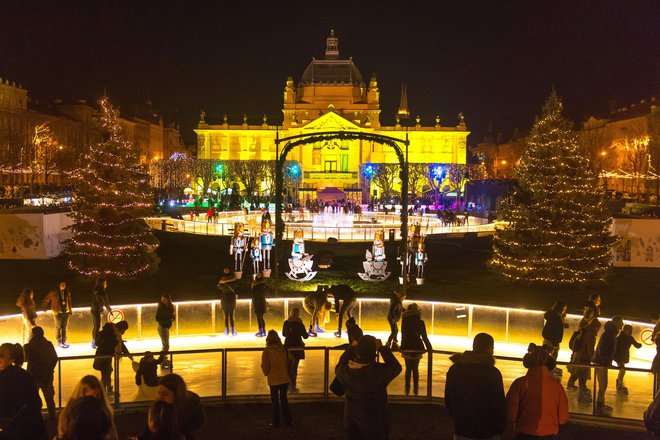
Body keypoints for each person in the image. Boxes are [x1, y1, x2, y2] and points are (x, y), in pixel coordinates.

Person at [335, 335, 402, 439]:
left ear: (357, 352)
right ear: (374, 354)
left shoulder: (345, 372)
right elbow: (396, 367)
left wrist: (351, 348)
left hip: (352, 424)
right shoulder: (379, 372)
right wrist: (382, 348)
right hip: (377, 424)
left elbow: (340, 364)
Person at [445, 333, 506, 440]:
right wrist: (499, 428)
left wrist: (457, 420)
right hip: (487, 431)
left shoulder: (455, 370)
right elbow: (498, 403)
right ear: (489, 350)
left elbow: (449, 399)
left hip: (462, 429)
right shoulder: (492, 373)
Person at [506, 344, 569, 439]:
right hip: (549, 435)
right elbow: (563, 419)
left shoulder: (519, 384)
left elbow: (511, 414)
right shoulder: (557, 387)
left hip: (524, 433)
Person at [0, 343, 49, 440]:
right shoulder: (24, 375)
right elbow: (36, 402)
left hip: (16, 428)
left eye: (1, 355)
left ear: (12, 359)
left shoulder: (14, 377)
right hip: (23, 427)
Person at [57, 375, 117, 440]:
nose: (95, 400)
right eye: (91, 397)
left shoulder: (104, 412)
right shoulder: (69, 414)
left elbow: (113, 435)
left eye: (97, 396)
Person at [567, 294, 602, 403]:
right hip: (584, 352)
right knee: (582, 369)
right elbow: (590, 343)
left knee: (578, 368)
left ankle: (573, 383)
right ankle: (580, 387)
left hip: (579, 350)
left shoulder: (585, 321)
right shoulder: (590, 330)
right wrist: (593, 357)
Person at [261, 330, 295, 428]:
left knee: (275, 401)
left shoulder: (266, 351)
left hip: (273, 379)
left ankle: (276, 422)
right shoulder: (284, 349)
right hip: (284, 378)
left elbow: (265, 366)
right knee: (284, 399)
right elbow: (292, 360)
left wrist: (266, 372)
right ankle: (288, 421)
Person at [24, 326, 58, 423]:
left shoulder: (28, 346)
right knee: (49, 398)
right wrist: (50, 368)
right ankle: (52, 416)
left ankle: (37, 417)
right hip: (46, 376)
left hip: (33, 375)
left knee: (34, 398)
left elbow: (24, 359)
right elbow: (55, 358)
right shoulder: (48, 344)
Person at [592, 315, 624, 416]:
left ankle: (601, 404)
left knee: (603, 384)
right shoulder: (609, 334)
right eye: (621, 322)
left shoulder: (611, 334)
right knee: (603, 385)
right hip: (601, 363)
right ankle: (599, 406)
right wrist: (606, 363)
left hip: (602, 363)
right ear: (616, 322)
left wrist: (617, 361)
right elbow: (603, 350)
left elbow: (610, 351)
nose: (622, 325)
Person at [158, 374, 205, 440]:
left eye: (165, 394)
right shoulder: (160, 406)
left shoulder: (190, 408)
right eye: (159, 393)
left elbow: (189, 429)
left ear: (177, 393)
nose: (160, 398)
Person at [400, 303, 432, 396]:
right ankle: (416, 389)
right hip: (417, 347)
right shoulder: (420, 322)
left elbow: (403, 335)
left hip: (407, 347)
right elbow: (424, 337)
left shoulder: (404, 321)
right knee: (415, 368)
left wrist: (402, 347)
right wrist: (429, 348)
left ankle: (407, 388)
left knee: (408, 369)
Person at [93, 321, 133, 396]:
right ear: (120, 328)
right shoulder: (111, 333)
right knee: (106, 374)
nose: (124, 332)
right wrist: (116, 343)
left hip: (106, 356)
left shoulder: (115, 333)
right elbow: (112, 344)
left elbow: (120, 344)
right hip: (103, 356)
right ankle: (105, 391)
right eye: (124, 330)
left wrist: (128, 354)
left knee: (106, 374)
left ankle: (105, 391)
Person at [282, 307, 309, 393]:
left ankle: (287, 385)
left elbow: (284, 334)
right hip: (297, 346)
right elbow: (305, 336)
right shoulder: (300, 324)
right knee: (295, 367)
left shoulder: (286, 323)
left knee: (288, 366)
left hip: (288, 346)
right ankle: (293, 385)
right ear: (298, 314)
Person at [42, 280, 73, 348]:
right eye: (62, 284)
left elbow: (69, 301)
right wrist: (44, 307)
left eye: (64, 284)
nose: (63, 285)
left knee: (64, 327)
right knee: (58, 327)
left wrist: (70, 309)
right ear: (58, 285)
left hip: (66, 312)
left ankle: (64, 341)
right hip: (57, 312)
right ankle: (59, 341)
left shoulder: (67, 292)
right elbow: (46, 299)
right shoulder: (54, 292)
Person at [614, 324, 642, 395]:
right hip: (619, 356)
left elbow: (636, 345)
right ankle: (620, 384)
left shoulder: (625, 337)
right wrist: (639, 345)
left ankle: (619, 383)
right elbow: (636, 345)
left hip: (622, 356)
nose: (631, 332)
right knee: (622, 370)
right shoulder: (621, 338)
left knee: (622, 370)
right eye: (630, 330)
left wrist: (639, 345)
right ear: (625, 330)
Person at [542, 300, 568, 376]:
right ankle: (549, 368)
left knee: (552, 354)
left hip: (551, 339)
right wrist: (555, 341)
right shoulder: (556, 317)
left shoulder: (554, 315)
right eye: (564, 308)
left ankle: (551, 367)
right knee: (551, 354)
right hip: (552, 339)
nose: (565, 310)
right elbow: (555, 328)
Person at [91, 277, 112, 349]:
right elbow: (105, 301)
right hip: (96, 309)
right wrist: (109, 310)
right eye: (105, 283)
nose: (106, 284)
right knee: (97, 326)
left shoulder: (95, 291)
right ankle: (95, 342)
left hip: (94, 309)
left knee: (96, 326)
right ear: (102, 284)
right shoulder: (101, 292)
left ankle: (94, 342)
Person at [156, 294, 175, 367]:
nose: (163, 301)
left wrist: (171, 317)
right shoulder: (161, 308)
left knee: (165, 345)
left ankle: (163, 359)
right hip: (162, 327)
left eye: (164, 299)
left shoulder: (167, 307)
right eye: (162, 299)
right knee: (166, 345)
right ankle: (162, 360)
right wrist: (169, 318)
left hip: (165, 327)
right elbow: (158, 318)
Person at [217, 269, 238, 336]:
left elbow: (219, 286)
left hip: (224, 299)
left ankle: (226, 330)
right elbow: (235, 286)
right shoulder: (233, 282)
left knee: (225, 316)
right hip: (231, 299)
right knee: (231, 315)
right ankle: (232, 330)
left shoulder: (221, 283)